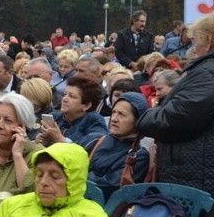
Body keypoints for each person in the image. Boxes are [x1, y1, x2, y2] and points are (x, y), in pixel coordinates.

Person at [138, 13, 214, 193]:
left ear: (209, 40)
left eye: (196, 41)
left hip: (197, 179)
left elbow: (174, 119)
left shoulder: (207, 74)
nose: (194, 48)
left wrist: (147, 115)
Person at [86, 92, 150, 200]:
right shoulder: (98, 140)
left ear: (137, 121)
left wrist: (81, 176)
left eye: (122, 114)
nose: (114, 119)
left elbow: (109, 186)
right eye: (113, 112)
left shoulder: (139, 155)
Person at [38, 76, 107, 148]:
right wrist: (40, 140)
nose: (64, 99)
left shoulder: (94, 121)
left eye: (72, 96)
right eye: (64, 94)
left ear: (86, 105)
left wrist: (60, 139)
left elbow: (90, 149)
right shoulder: (55, 117)